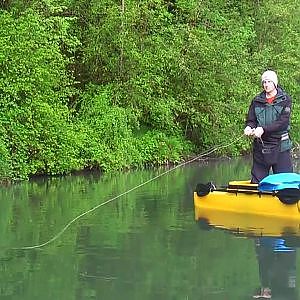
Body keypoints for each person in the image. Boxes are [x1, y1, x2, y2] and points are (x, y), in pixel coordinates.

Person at [244, 70, 293, 183]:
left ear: (275, 83)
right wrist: (249, 127)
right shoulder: (256, 101)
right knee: (257, 182)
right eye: (264, 82)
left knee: (285, 183)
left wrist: (263, 129)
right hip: (261, 146)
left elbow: (282, 122)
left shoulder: (285, 100)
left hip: (281, 146)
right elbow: (251, 120)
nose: (266, 84)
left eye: (269, 82)